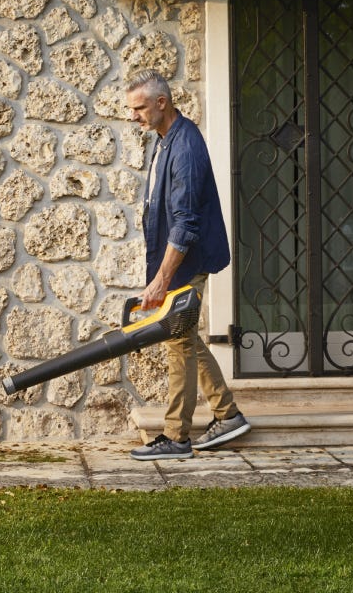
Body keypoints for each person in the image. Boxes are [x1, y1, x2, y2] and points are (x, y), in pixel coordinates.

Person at [124, 69, 251, 460]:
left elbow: (186, 223)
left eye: (140, 108)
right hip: (174, 260)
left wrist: (162, 279)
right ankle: (227, 414)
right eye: (132, 109)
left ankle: (177, 436)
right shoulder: (166, 139)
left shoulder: (186, 146)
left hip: (185, 260)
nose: (134, 116)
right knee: (184, 338)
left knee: (177, 341)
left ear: (162, 103)